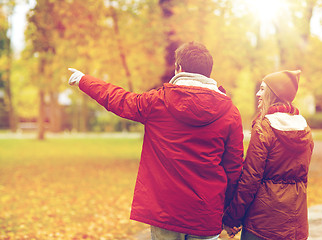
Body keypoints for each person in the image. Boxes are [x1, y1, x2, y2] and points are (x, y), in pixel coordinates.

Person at [68, 41, 244, 240]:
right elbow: (234, 168)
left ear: (179, 68)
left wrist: (84, 80)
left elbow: (119, 99)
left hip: (165, 210)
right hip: (205, 213)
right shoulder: (230, 112)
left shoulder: (157, 102)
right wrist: (230, 215)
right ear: (208, 73)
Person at [223, 70, 314, 240]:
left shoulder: (265, 127)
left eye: (263, 89)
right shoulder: (305, 129)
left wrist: (232, 218)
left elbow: (250, 180)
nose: (258, 94)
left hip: (262, 226)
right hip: (296, 226)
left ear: (274, 94)